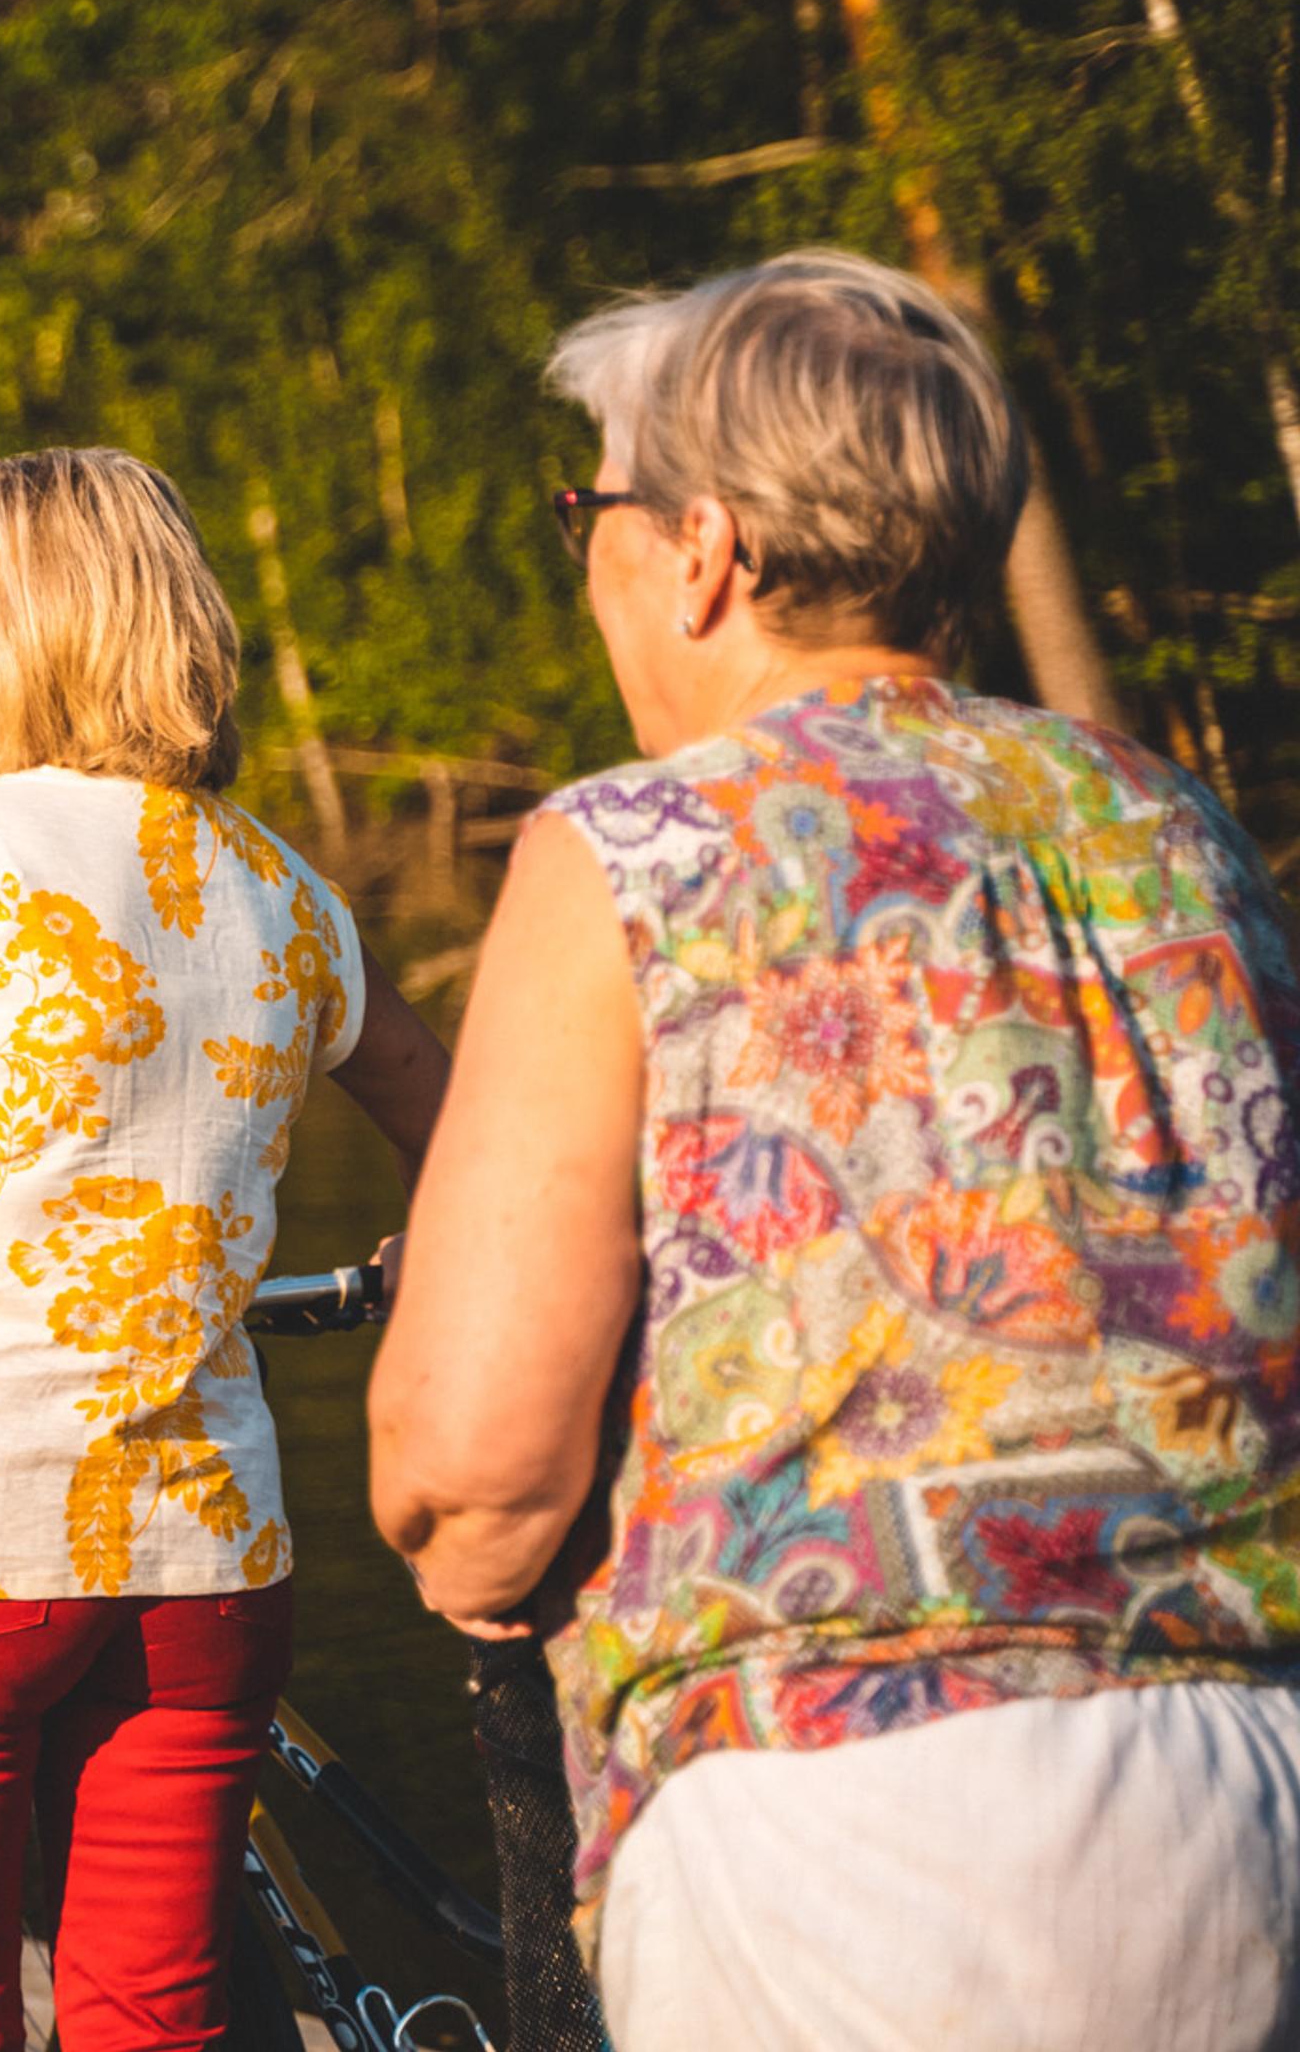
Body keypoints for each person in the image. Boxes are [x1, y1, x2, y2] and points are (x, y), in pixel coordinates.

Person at [366, 251, 1300, 2051]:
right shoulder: (1185, 831)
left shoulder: (633, 847)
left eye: (597, 509)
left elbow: (476, 1468)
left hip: (843, 1836)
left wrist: (468, 1562)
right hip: (1252, 1793)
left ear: (704, 548)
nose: (593, 557)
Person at [0, 448, 450, 2051]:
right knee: (153, 2019)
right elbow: (463, 1142)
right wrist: (424, 1279)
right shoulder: (283, 889)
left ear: (39, 625)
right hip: (202, 1559)